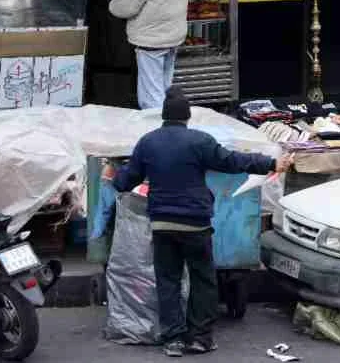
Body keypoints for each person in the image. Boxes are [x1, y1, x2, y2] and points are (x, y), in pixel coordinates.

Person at [108, 87, 294, 357]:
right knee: (203, 280)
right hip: (196, 223)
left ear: (164, 116)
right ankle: (200, 338)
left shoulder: (148, 142)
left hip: (162, 224)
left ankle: (173, 339)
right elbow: (232, 161)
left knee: (168, 281)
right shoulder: (200, 141)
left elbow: (125, 182)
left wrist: (112, 173)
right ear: (187, 116)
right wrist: (270, 163)